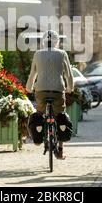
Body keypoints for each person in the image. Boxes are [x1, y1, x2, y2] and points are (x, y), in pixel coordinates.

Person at [26, 30, 74, 160]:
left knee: (40, 114)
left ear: (42, 42)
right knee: (60, 116)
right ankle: (60, 150)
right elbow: (68, 74)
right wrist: (70, 88)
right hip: (58, 90)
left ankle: (37, 138)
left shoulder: (37, 54)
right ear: (57, 42)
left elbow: (33, 74)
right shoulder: (62, 54)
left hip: (41, 90)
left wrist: (29, 88)